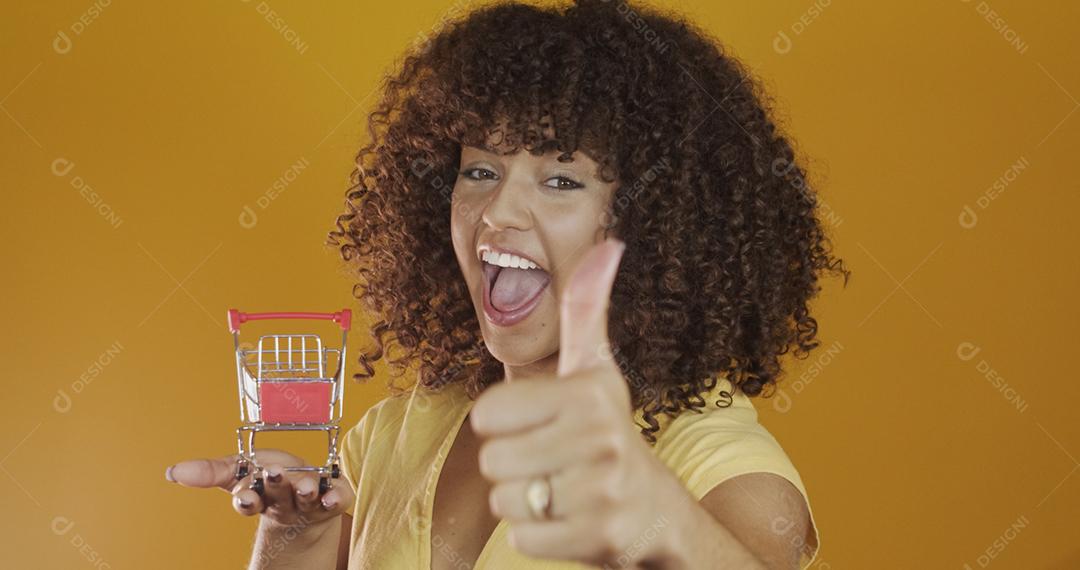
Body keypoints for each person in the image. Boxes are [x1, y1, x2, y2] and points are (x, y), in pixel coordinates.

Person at [166, 0, 849, 568]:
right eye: (480, 172)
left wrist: (661, 523)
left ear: (655, 221)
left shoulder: (720, 461)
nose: (496, 213)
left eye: (560, 180)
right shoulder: (389, 438)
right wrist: (295, 534)